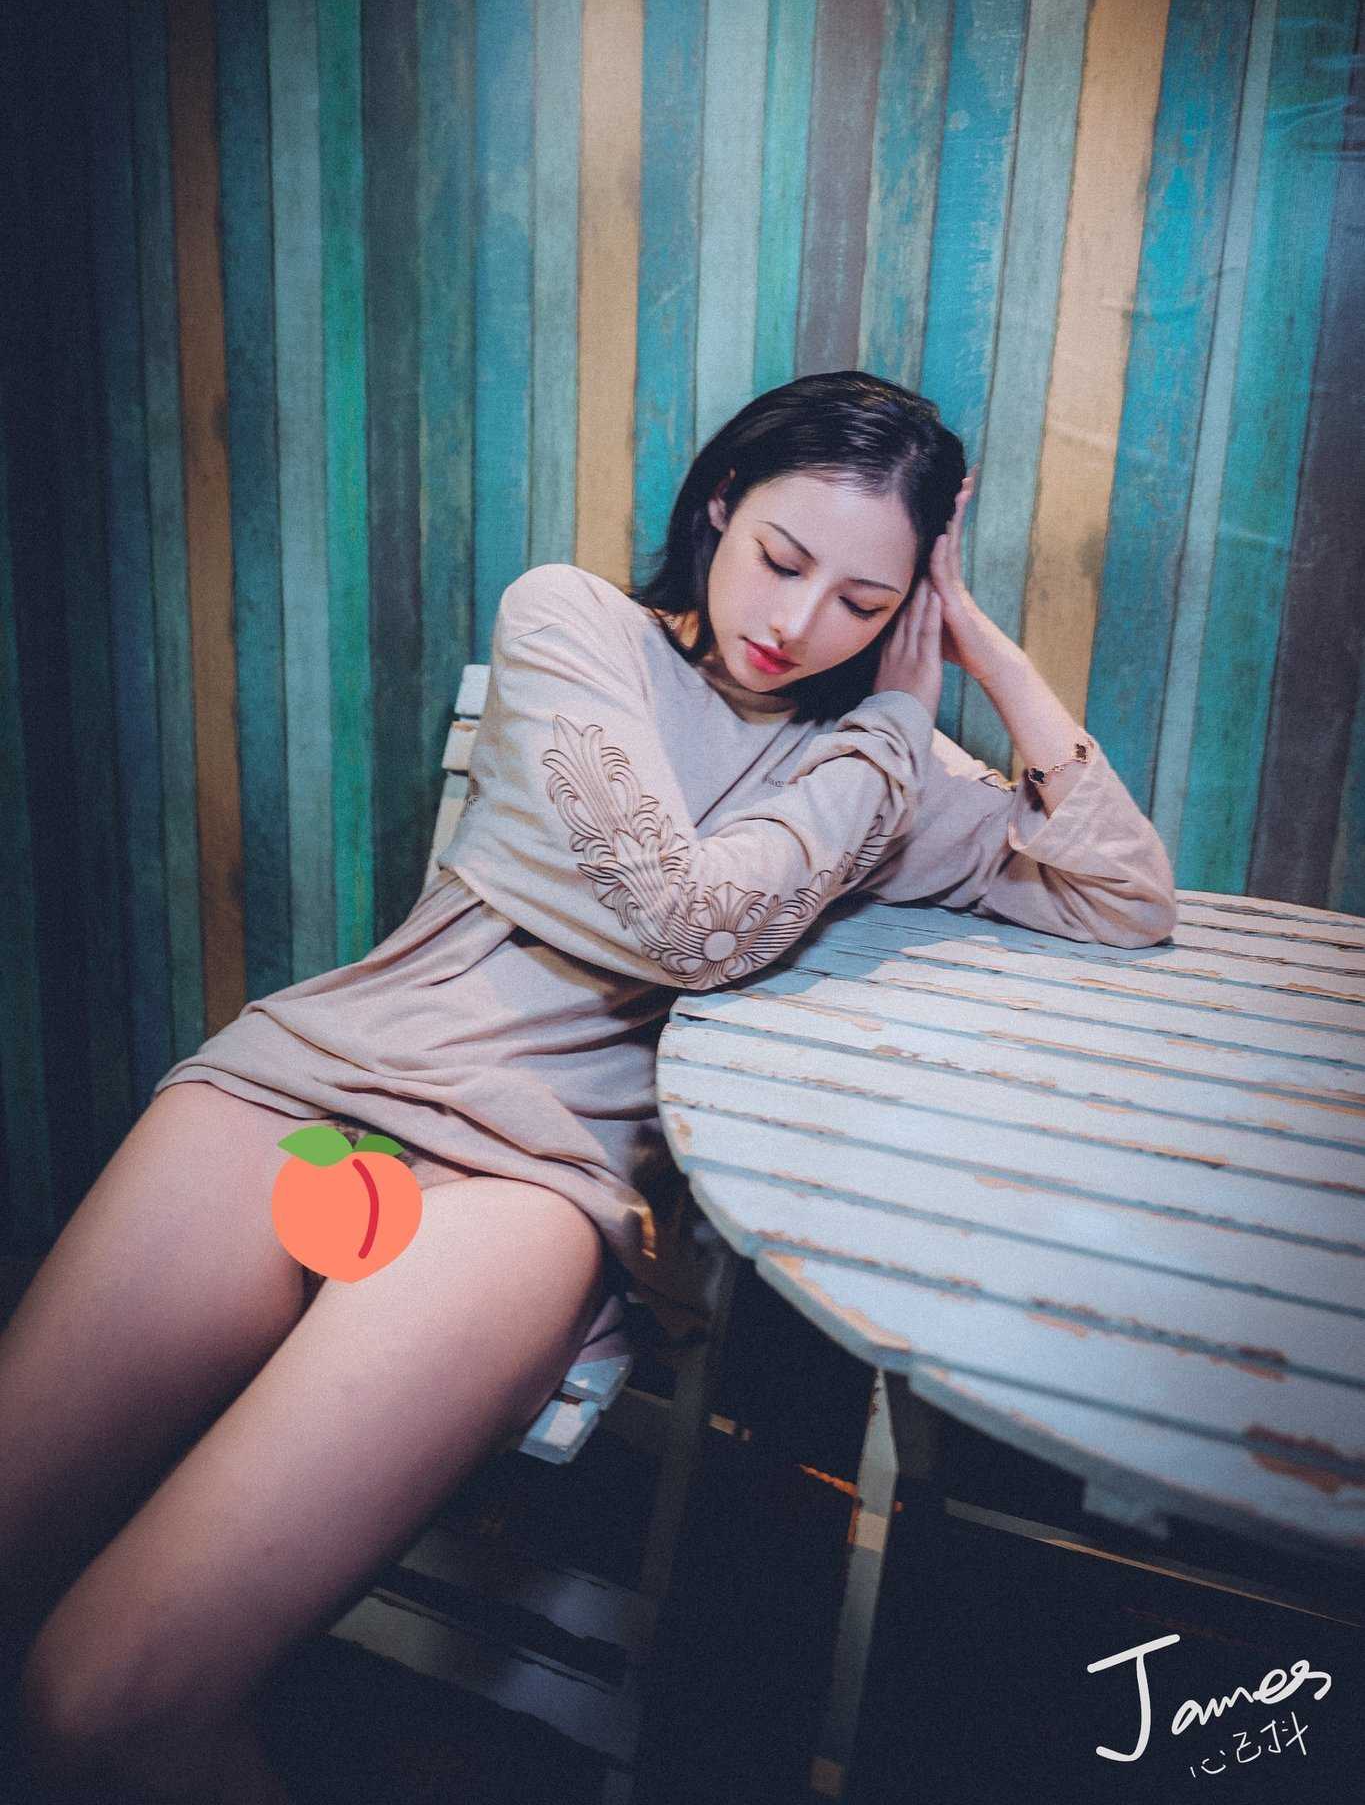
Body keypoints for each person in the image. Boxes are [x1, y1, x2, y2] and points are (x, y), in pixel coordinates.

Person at [0, 369, 1176, 1800]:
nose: (798, 622)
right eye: (781, 558)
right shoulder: (575, 625)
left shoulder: (875, 768)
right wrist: (888, 741)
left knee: (100, 1704)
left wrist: (968, 650)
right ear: (720, 504)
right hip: (311, 1089)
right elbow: (687, 921)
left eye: (864, 601)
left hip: (530, 1182)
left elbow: (1123, 896)